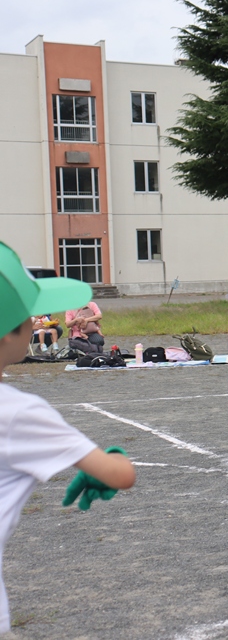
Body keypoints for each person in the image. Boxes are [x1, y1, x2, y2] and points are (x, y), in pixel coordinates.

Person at [0, 240, 136, 633]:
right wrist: (109, 460)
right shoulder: (18, 411)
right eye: (28, 316)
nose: (34, 323)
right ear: (9, 333)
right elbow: (119, 475)